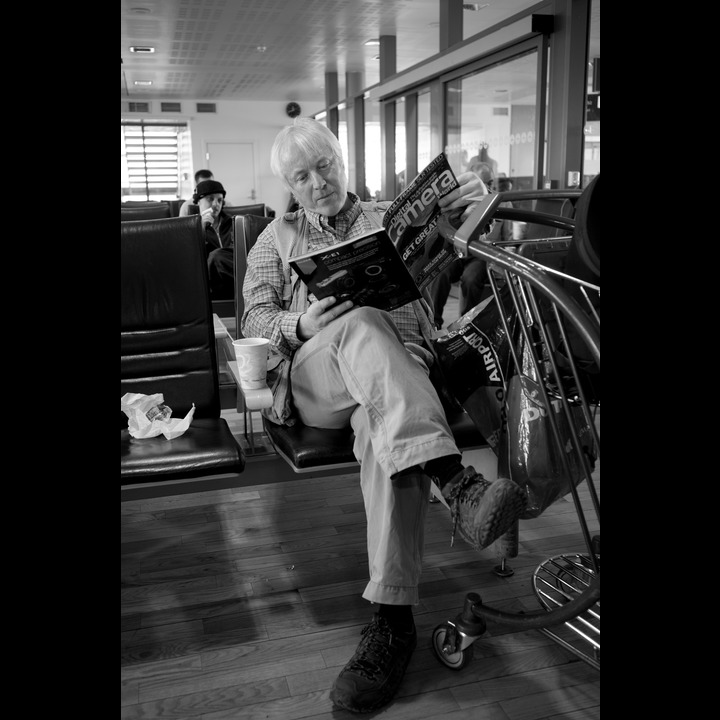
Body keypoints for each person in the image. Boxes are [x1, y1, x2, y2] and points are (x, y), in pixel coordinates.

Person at [241, 117, 527, 714]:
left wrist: (472, 204)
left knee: (384, 432)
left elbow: (459, 244)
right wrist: (300, 324)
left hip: (399, 380)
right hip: (318, 379)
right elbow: (253, 321)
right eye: (302, 176)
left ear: (341, 162)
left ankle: (392, 623)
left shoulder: (386, 219)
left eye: (325, 166)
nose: (318, 182)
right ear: (288, 186)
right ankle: (456, 480)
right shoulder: (273, 240)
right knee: (360, 324)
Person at [193, 179, 235, 298]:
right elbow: (191, 257)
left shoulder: (233, 223)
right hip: (208, 281)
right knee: (216, 257)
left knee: (218, 257)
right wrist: (200, 228)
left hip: (232, 275)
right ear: (198, 202)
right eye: (210, 199)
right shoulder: (191, 227)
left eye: (219, 200)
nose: (216, 204)